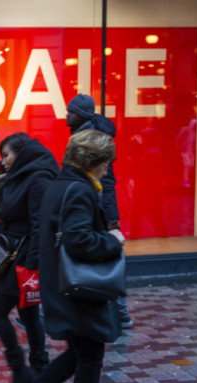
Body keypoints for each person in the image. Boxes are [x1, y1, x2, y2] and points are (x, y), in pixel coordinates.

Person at [6, 129, 125, 383]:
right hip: (78, 289)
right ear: (92, 162)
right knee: (90, 357)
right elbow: (78, 239)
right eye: (104, 163)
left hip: (63, 286)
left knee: (81, 353)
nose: (107, 170)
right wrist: (112, 241)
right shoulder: (79, 190)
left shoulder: (62, 184)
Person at [0, 132, 57, 383]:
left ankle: (22, 373)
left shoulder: (38, 177)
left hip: (24, 258)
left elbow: (41, 225)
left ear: (22, 152)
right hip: (11, 252)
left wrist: (32, 266)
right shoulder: (15, 177)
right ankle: (39, 368)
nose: (3, 160)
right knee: (28, 314)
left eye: (6, 155)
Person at [65, 94, 133, 329]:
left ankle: (121, 313)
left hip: (97, 206)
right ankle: (118, 313)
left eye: (71, 112)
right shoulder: (84, 134)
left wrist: (110, 216)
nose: (67, 115)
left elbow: (108, 180)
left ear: (82, 115)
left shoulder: (91, 139)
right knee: (102, 259)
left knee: (106, 260)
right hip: (93, 205)